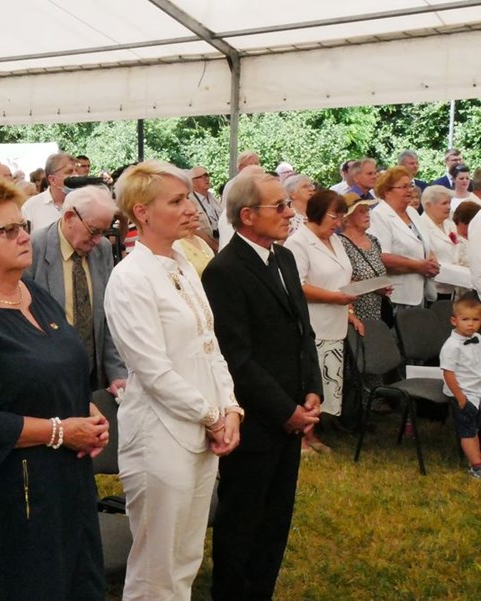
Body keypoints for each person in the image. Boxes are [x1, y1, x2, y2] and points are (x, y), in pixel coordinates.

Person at [0, 176, 108, 600]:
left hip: (65, 476)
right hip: (8, 492)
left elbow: (56, 370)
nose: (24, 236)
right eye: (7, 231)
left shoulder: (33, 294)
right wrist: (61, 431)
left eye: (22, 226)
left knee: (75, 581)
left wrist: (87, 411)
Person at [103, 161, 242, 600]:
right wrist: (211, 414)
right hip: (159, 435)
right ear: (142, 212)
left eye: (188, 199)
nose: (190, 209)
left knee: (185, 556)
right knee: (156, 567)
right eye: (177, 201)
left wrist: (231, 408)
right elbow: (153, 369)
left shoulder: (182, 264)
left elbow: (209, 345)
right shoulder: (130, 277)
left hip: (200, 428)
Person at [201, 170, 323, 601]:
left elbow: (303, 330)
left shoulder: (283, 258)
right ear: (248, 215)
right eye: (281, 206)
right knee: (243, 517)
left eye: (289, 204)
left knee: (276, 517)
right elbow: (236, 357)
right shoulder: (225, 270)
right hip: (255, 418)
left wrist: (312, 389)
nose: (291, 213)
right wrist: (284, 410)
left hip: (292, 410)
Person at [27, 185, 127, 394]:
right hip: (49, 379)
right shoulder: (35, 247)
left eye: (103, 232)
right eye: (94, 231)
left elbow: (108, 316)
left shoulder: (102, 249)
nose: (98, 239)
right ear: (70, 217)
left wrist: (117, 373)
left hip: (93, 376)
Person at [285, 190, 363, 445]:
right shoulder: (298, 242)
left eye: (341, 217)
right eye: (334, 217)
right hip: (313, 322)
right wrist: (334, 297)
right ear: (317, 213)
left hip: (335, 321)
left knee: (328, 379)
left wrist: (349, 307)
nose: (338, 223)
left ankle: (314, 431)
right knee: (309, 379)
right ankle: (302, 437)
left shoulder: (335, 240)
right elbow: (297, 286)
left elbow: (342, 276)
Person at [368, 166, 438, 312]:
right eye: (403, 187)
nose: (409, 190)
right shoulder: (379, 216)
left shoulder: (412, 212)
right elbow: (381, 256)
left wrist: (431, 262)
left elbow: (424, 244)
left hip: (422, 291)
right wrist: (418, 266)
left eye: (410, 185)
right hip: (397, 296)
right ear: (387, 191)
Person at [440, 293, 481, 479]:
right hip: (463, 394)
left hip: (477, 391)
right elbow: (448, 373)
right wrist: (460, 398)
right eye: (465, 319)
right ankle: (476, 467)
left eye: (475, 319)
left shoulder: (478, 339)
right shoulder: (451, 346)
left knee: (475, 428)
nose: (470, 324)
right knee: (468, 432)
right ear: (454, 321)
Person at [339, 194, 388, 322]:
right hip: (355, 311)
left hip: (378, 310)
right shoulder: (341, 243)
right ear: (346, 218)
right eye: (361, 211)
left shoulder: (373, 240)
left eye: (367, 210)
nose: (367, 214)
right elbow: (342, 282)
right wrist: (375, 286)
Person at [417, 185, 458, 300]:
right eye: (444, 203)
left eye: (449, 203)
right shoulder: (420, 226)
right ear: (428, 205)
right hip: (433, 288)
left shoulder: (450, 225)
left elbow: (458, 247)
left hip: (454, 285)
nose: (449, 207)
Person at [21, 152, 78, 232]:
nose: (76, 175)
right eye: (69, 172)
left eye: (76, 171)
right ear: (52, 179)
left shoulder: (85, 203)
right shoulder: (30, 207)